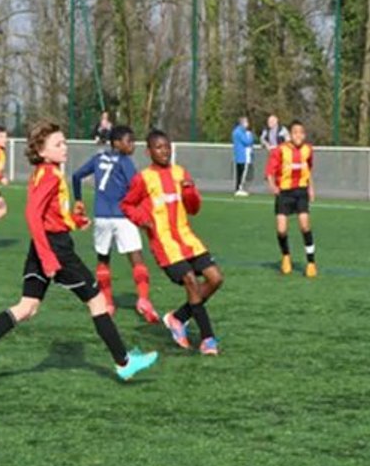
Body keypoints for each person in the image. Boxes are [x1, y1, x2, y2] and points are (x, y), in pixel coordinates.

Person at [0, 121, 158, 385]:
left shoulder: (43, 172)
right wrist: (48, 257)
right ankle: (124, 363)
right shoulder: (50, 174)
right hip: (55, 249)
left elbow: (51, 216)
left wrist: (75, 221)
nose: (65, 147)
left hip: (45, 244)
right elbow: (33, 215)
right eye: (58, 144)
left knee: (27, 307)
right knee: (97, 301)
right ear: (41, 151)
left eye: (64, 142)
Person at [121, 129, 224, 355]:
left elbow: (193, 209)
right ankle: (208, 338)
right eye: (158, 147)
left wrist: (190, 192)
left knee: (216, 279)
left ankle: (178, 318)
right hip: (165, 244)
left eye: (167, 147)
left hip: (188, 239)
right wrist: (142, 219)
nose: (164, 151)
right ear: (149, 152)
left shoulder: (180, 173)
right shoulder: (143, 178)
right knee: (191, 281)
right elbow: (127, 205)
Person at [72, 124, 160, 323]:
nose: (133, 145)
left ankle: (108, 303)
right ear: (117, 143)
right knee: (136, 258)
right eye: (129, 141)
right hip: (122, 216)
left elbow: (76, 176)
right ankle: (143, 300)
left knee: (103, 259)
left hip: (102, 217)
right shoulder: (125, 161)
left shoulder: (98, 158)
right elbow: (136, 186)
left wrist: (78, 199)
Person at [265, 120, 317, 278]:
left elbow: (308, 170)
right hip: (284, 193)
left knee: (305, 226)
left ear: (304, 135)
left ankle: (311, 263)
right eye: (295, 132)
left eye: (301, 132)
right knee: (281, 229)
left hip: (301, 192)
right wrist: (272, 185)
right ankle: (286, 256)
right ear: (290, 134)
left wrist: (311, 188)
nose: (298, 135)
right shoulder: (280, 150)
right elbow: (270, 171)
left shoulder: (308, 150)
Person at [232, 116, 256, 196]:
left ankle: (239, 188)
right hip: (243, 156)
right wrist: (250, 136)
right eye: (246, 122)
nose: (247, 124)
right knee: (242, 173)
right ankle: (240, 188)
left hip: (239, 156)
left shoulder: (237, 131)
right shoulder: (239, 132)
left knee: (240, 173)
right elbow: (247, 142)